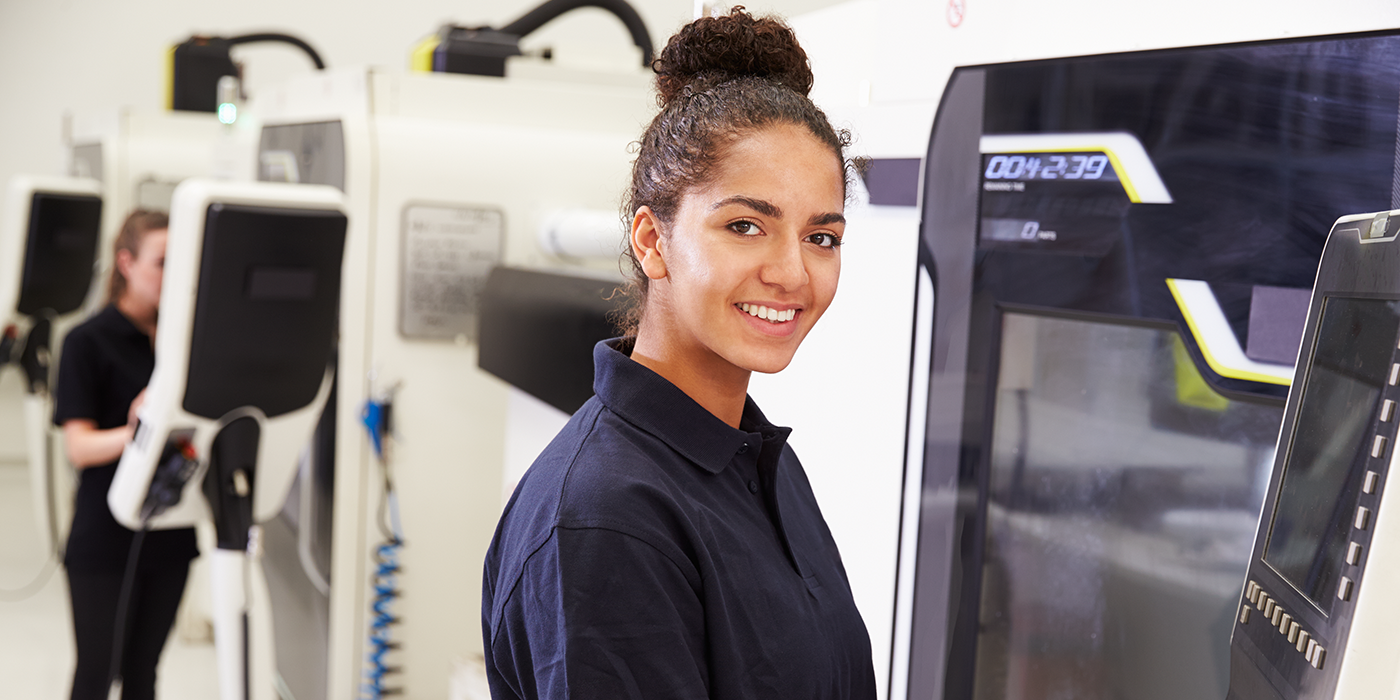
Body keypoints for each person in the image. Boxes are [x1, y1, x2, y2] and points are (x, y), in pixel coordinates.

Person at [481, 8, 876, 699]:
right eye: (745, 225)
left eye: (821, 237)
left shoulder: (754, 463)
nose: (792, 272)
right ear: (651, 240)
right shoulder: (606, 521)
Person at [54, 210, 198, 700]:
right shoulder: (86, 342)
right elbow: (79, 447)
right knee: (98, 673)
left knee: (143, 674)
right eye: (162, 263)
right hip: (104, 538)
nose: (172, 276)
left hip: (171, 532)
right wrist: (139, 431)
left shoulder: (185, 345)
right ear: (126, 263)